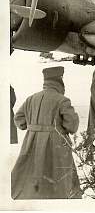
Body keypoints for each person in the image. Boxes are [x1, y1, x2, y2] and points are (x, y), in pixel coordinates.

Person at [11, 66, 82, 199]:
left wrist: (32, 127)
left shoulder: (30, 99)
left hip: (31, 143)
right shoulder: (62, 100)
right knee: (58, 177)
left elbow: (18, 119)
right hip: (56, 145)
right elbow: (72, 125)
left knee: (30, 175)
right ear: (60, 80)